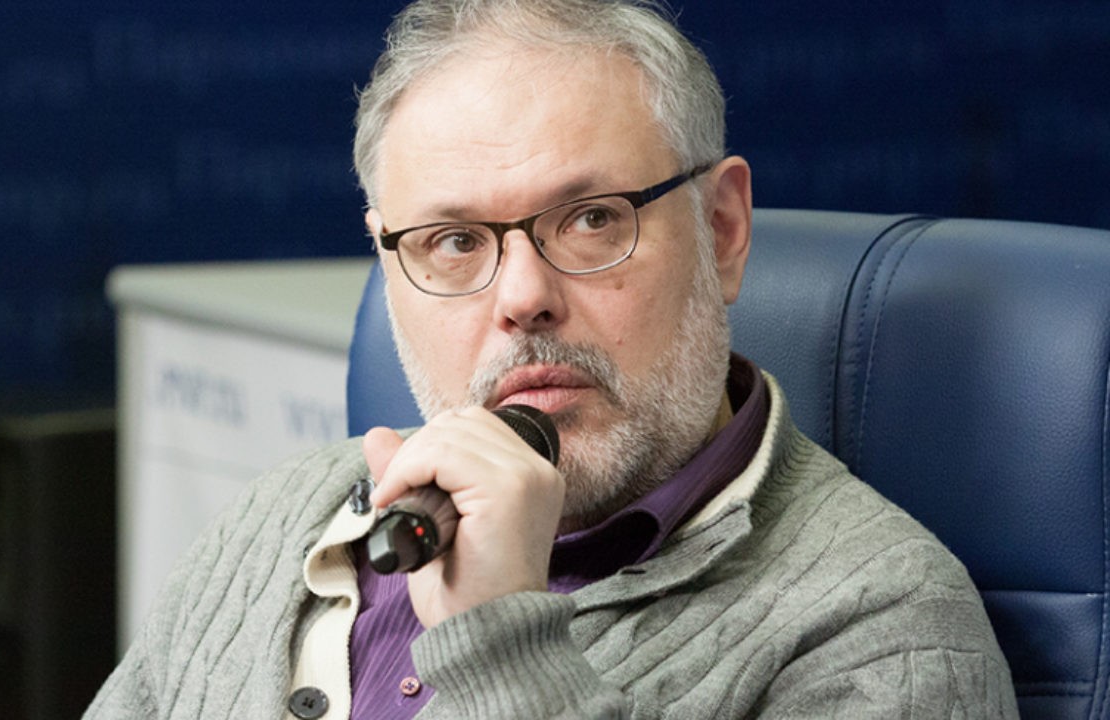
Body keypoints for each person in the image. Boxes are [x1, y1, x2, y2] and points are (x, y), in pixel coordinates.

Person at [86, 0, 1019, 717]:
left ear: (723, 231)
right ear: (389, 265)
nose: (522, 297)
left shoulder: (884, 630)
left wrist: (498, 643)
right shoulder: (277, 520)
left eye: (591, 220)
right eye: (455, 241)